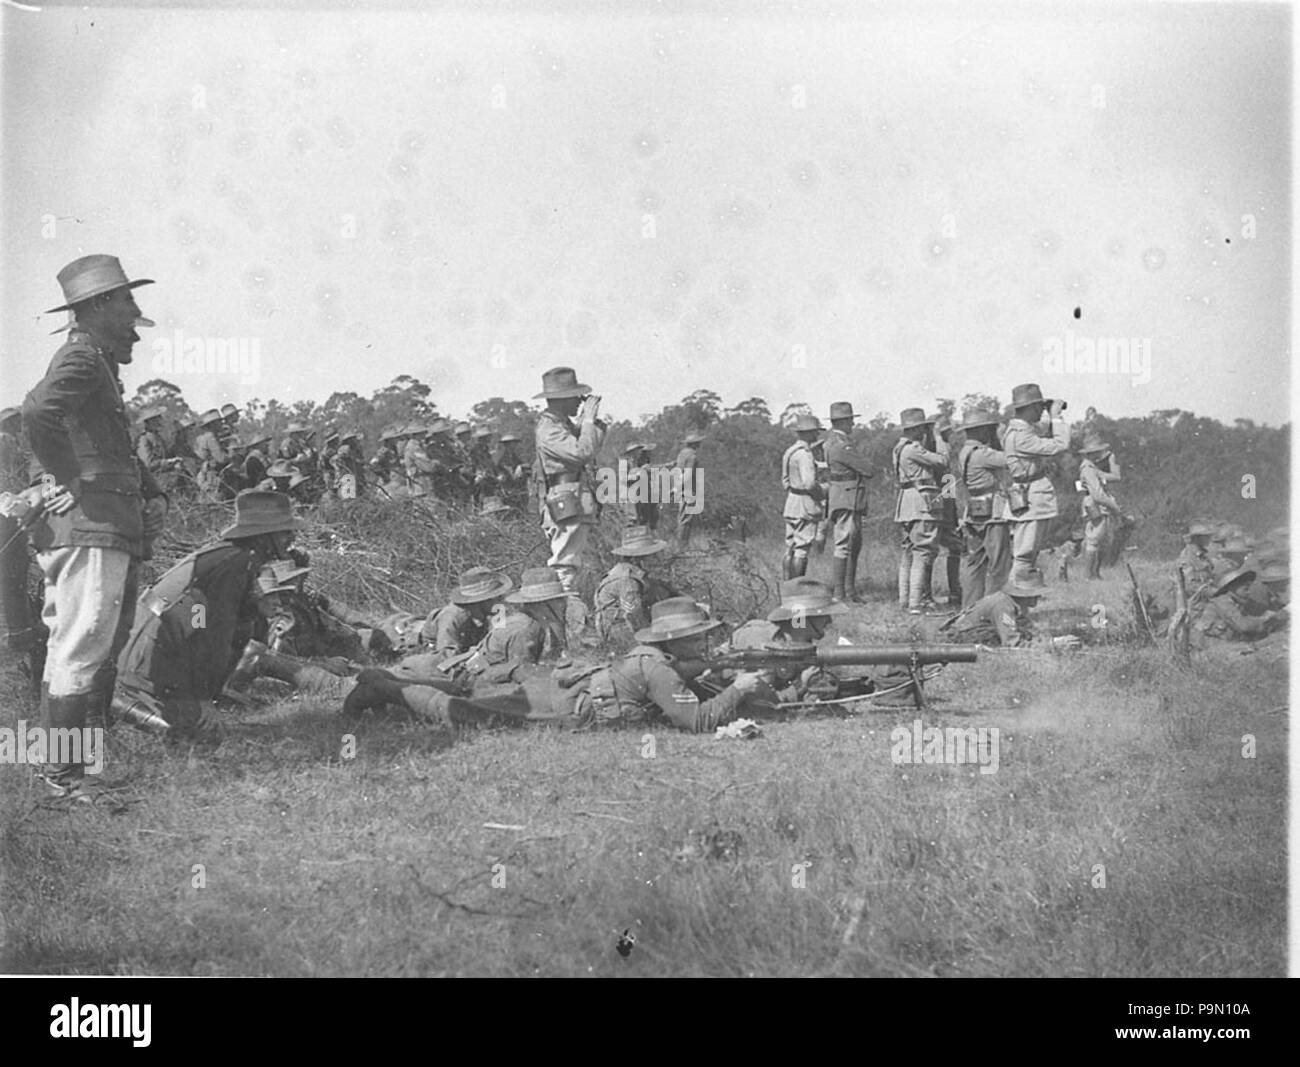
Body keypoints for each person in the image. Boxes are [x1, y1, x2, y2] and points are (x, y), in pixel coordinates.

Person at [22, 254, 168, 798]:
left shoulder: (95, 363)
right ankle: (63, 777)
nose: (135, 312)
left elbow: (111, 448)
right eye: (127, 300)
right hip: (92, 526)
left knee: (70, 645)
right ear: (100, 305)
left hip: (93, 525)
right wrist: (69, 475)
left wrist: (151, 489)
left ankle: (65, 767)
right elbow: (38, 413)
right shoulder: (82, 359)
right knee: (82, 646)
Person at [114, 490, 305, 738]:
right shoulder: (234, 564)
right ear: (264, 536)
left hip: (159, 649)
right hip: (148, 656)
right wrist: (202, 698)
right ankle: (124, 703)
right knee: (200, 732)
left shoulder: (236, 557)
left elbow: (208, 625)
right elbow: (213, 635)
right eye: (285, 531)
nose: (292, 537)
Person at [532, 367, 605, 594]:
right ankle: (563, 613)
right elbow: (583, 451)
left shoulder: (561, 424)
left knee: (571, 561)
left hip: (573, 495)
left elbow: (591, 444)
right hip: (565, 498)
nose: (579, 401)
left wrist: (589, 422)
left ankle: (565, 610)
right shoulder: (549, 430)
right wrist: (588, 421)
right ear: (562, 399)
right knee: (565, 564)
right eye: (575, 397)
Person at [1002, 383, 1069, 581]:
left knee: (1028, 554)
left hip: (1027, 495)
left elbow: (1040, 428)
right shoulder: (1021, 437)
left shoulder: (1018, 430)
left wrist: (1049, 413)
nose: (1042, 410)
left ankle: (1019, 600)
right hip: (1031, 498)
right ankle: (1014, 600)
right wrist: (1056, 417)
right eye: (1039, 407)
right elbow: (1060, 444)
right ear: (1030, 408)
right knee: (1025, 555)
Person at [892, 407, 948, 614]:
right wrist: (939, 438)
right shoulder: (913, 449)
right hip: (921, 502)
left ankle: (905, 600)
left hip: (906, 502)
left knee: (907, 552)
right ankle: (915, 603)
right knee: (922, 552)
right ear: (916, 429)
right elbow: (943, 461)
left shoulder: (899, 448)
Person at [956, 405, 1011, 610]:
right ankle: (995, 608)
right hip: (993, 513)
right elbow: (1011, 460)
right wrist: (1003, 437)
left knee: (974, 562)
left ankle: (970, 609)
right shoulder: (983, 454)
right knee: (1000, 563)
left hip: (973, 511)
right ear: (980, 430)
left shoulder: (965, 452)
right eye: (987, 429)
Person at [594, 525, 678, 649]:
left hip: (624, 628)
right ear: (638, 559)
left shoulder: (630, 571)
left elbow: (658, 589)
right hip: (621, 632)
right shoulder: (628, 580)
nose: (657, 558)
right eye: (652, 555)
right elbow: (634, 616)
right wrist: (654, 643)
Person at [823, 402, 874, 602]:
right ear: (843, 421)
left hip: (845, 496)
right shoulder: (841, 445)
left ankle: (847, 592)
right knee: (844, 544)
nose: (853, 423)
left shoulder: (830, 442)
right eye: (850, 419)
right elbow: (868, 469)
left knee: (852, 543)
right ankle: (841, 593)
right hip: (847, 497)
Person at [416, 566, 515, 668]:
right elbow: (444, 658)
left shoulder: (481, 614)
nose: (502, 601)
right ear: (483, 601)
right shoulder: (452, 617)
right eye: (498, 598)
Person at [949, 569, 1048, 648]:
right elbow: (1012, 643)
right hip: (962, 640)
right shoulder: (1004, 606)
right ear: (1026, 594)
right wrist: (1042, 647)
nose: (1039, 597)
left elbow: (1027, 626)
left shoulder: (1010, 601)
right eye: (1036, 594)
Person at [1191, 567, 1287, 647]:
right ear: (1231, 587)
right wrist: (1270, 620)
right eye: (1243, 585)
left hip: (1223, 644)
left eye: (1248, 585)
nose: (1248, 589)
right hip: (1208, 646)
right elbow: (1244, 626)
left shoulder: (1237, 602)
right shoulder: (1222, 601)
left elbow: (1249, 619)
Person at [780, 412, 824, 580]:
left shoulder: (790, 452)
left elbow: (785, 481)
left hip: (791, 501)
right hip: (804, 504)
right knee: (802, 549)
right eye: (814, 431)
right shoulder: (805, 454)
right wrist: (821, 495)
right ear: (808, 433)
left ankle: (787, 587)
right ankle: (797, 591)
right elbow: (810, 483)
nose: (817, 434)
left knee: (790, 546)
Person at [1076, 433, 1126, 580]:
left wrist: (1112, 461)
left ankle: (1094, 574)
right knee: (1094, 539)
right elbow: (1097, 494)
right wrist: (1114, 507)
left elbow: (1116, 477)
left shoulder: (1092, 467)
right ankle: (1088, 576)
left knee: (1102, 540)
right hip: (1096, 505)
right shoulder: (1088, 468)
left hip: (1099, 506)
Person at [931, 415, 964, 607]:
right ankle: (953, 591)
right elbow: (946, 482)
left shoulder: (943, 449)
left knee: (950, 548)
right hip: (941, 505)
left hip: (945, 504)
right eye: (949, 432)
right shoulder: (940, 450)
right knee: (949, 548)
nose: (952, 435)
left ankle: (954, 591)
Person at [674, 431, 704, 547]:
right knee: (686, 519)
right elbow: (688, 474)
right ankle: (682, 547)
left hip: (681, 488)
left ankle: (681, 545)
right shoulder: (692, 456)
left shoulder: (682, 454)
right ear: (695, 444)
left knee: (682, 518)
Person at [192, 409, 228, 501]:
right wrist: (232, 455)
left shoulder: (202, 437)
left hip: (204, 475)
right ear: (212, 424)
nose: (221, 424)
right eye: (218, 422)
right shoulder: (211, 438)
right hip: (210, 476)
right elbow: (221, 458)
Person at [1177, 521, 1216, 593]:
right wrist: (1213, 591)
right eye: (1206, 536)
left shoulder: (1203, 555)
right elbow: (1190, 586)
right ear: (1197, 538)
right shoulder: (1187, 556)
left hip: (1209, 595)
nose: (1209, 539)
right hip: (1197, 600)